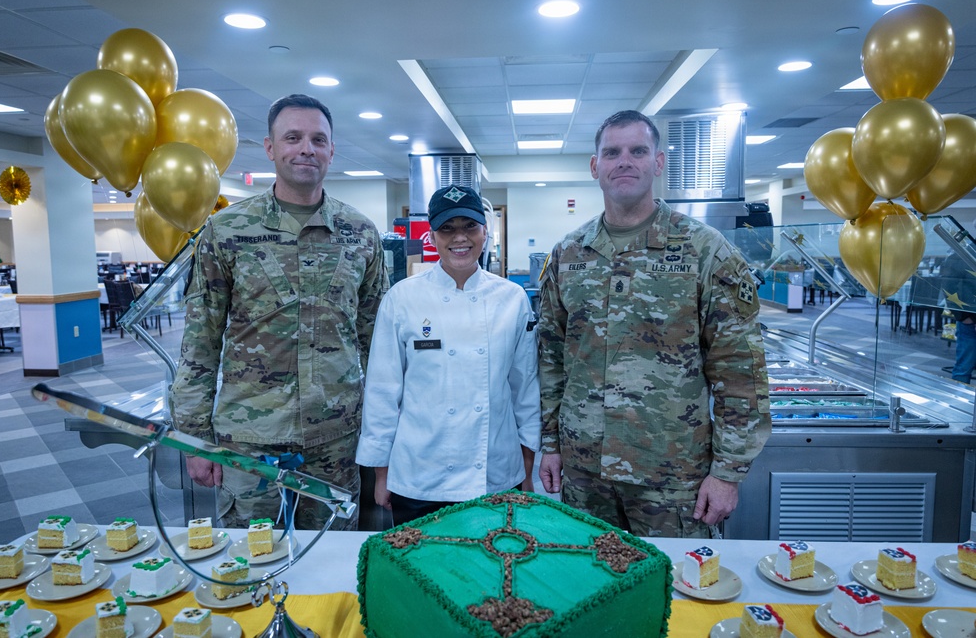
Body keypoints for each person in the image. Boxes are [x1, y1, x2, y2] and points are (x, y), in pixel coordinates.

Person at [537, 110, 770, 538]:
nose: (624, 161)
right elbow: (552, 359)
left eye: (638, 151)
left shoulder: (704, 250)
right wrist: (550, 444)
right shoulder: (569, 254)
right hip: (586, 473)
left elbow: (740, 369)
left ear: (658, 162)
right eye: (612, 152)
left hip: (672, 474)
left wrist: (728, 472)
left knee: (675, 578)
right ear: (595, 166)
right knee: (590, 573)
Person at [170, 94, 389, 530]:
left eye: (318, 139)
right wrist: (193, 438)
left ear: (331, 150)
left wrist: (382, 432)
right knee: (251, 559)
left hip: (335, 437)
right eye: (293, 138)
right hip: (249, 440)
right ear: (270, 148)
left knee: (331, 555)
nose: (306, 148)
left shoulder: (360, 233)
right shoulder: (227, 230)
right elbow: (200, 341)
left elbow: (376, 343)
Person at [356, 185, 540, 525]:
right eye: (447, 228)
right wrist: (382, 474)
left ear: (485, 232)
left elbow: (525, 389)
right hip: (418, 475)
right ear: (432, 237)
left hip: (494, 472)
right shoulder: (402, 299)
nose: (460, 237)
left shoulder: (512, 299)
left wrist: (527, 467)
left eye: (469, 226)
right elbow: (382, 392)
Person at [940, 244, 976, 384]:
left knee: (963, 367)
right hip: (970, 320)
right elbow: (948, 287)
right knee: (963, 368)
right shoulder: (961, 255)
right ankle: (958, 396)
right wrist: (964, 317)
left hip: (969, 319)